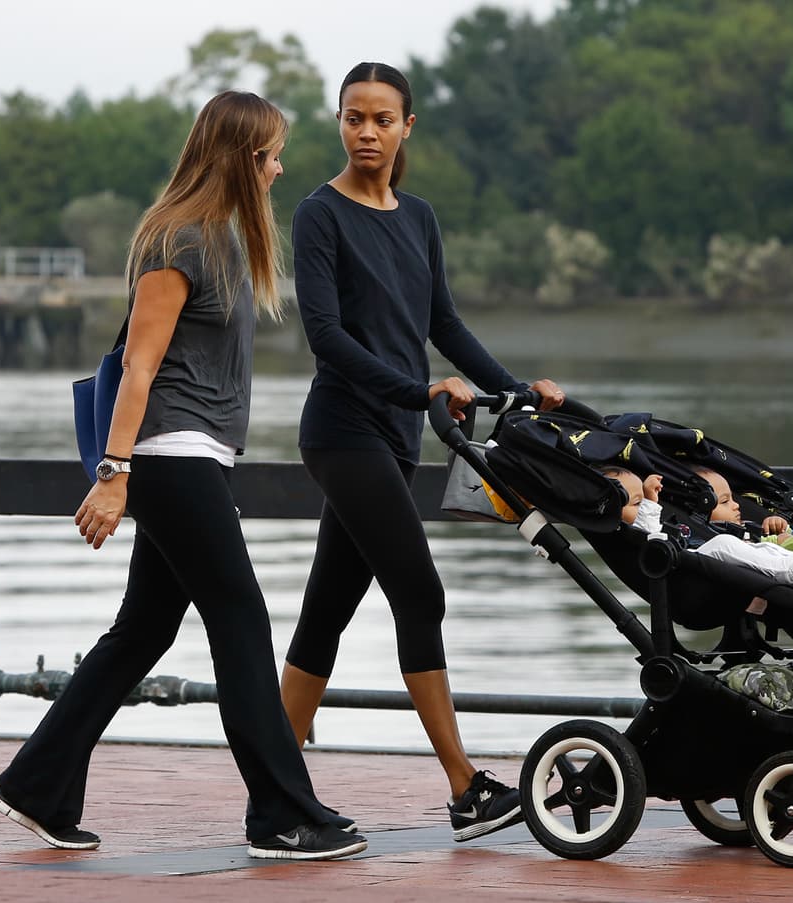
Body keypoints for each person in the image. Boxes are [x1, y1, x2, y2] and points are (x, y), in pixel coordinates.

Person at [0, 91, 366, 862]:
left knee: (142, 630)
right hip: (168, 455)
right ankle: (280, 814)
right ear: (237, 157)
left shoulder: (220, 238)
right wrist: (115, 470)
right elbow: (139, 362)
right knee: (240, 617)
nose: (279, 168)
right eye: (269, 156)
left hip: (194, 457)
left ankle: (37, 784)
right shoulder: (179, 239)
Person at [282, 61, 565, 843]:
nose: (365, 132)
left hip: (395, 437)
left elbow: (443, 323)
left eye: (381, 119)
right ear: (338, 122)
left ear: (409, 126)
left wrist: (513, 391)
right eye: (352, 118)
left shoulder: (418, 218)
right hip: (343, 432)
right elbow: (327, 338)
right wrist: (420, 393)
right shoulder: (318, 215)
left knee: (324, 615)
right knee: (422, 592)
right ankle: (466, 785)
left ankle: (275, 789)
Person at [600, 465, 793, 590]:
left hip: (699, 564)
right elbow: (648, 536)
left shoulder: (661, 522)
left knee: (764, 548)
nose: (645, 504)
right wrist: (651, 503)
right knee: (724, 544)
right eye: (637, 502)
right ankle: (786, 570)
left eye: (645, 501)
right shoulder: (633, 533)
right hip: (689, 572)